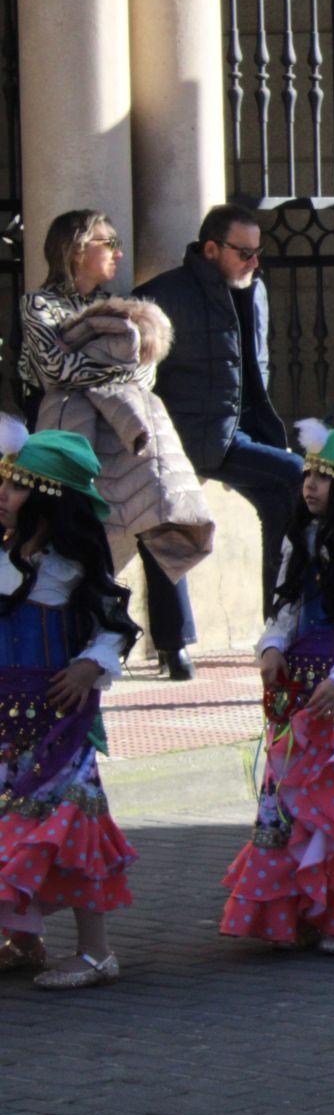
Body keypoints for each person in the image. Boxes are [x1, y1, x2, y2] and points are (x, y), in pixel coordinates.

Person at [220, 423, 334, 955]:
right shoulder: (300, 539)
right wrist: (271, 646)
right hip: (297, 693)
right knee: (292, 800)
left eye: (326, 476)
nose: (311, 484)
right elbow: (288, 609)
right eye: (309, 472)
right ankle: (297, 911)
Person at [20, 210, 214, 679]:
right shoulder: (39, 305)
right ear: (75, 249)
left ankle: (174, 642)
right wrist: (111, 368)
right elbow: (54, 372)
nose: (118, 253)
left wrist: (96, 364)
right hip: (67, 433)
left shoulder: (123, 306)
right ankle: (81, 634)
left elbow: (146, 371)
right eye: (108, 243)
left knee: (153, 509)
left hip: (125, 431)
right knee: (77, 531)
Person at [0, 423, 141, 990]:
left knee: (70, 827)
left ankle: (95, 952)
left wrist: (90, 665)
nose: (3, 496)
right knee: (12, 827)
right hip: (6, 722)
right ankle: (23, 939)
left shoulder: (73, 569)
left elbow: (115, 629)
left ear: (47, 497)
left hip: (59, 724)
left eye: (15, 486)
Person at [133, 204, 303, 638]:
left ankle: (277, 621)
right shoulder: (162, 296)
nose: (254, 262)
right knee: (296, 475)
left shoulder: (254, 289)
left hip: (238, 431)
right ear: (211, 249)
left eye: (257, 252)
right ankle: (176, 643)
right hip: (192, 436)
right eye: (243, 253)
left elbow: (257, 365)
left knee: (281, 500)